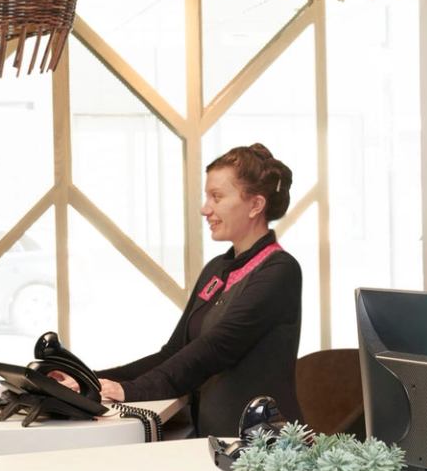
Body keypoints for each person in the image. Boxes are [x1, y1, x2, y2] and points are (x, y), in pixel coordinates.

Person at [89, 143, 304, 436]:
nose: (205, 209)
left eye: (216, 196)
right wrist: (91, 380)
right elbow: (174, 352)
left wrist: (130, 391)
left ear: (255, 205)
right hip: (212, 438)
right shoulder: (217, 269)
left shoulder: (279, 271)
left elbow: (214, 350)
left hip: (259, 448)